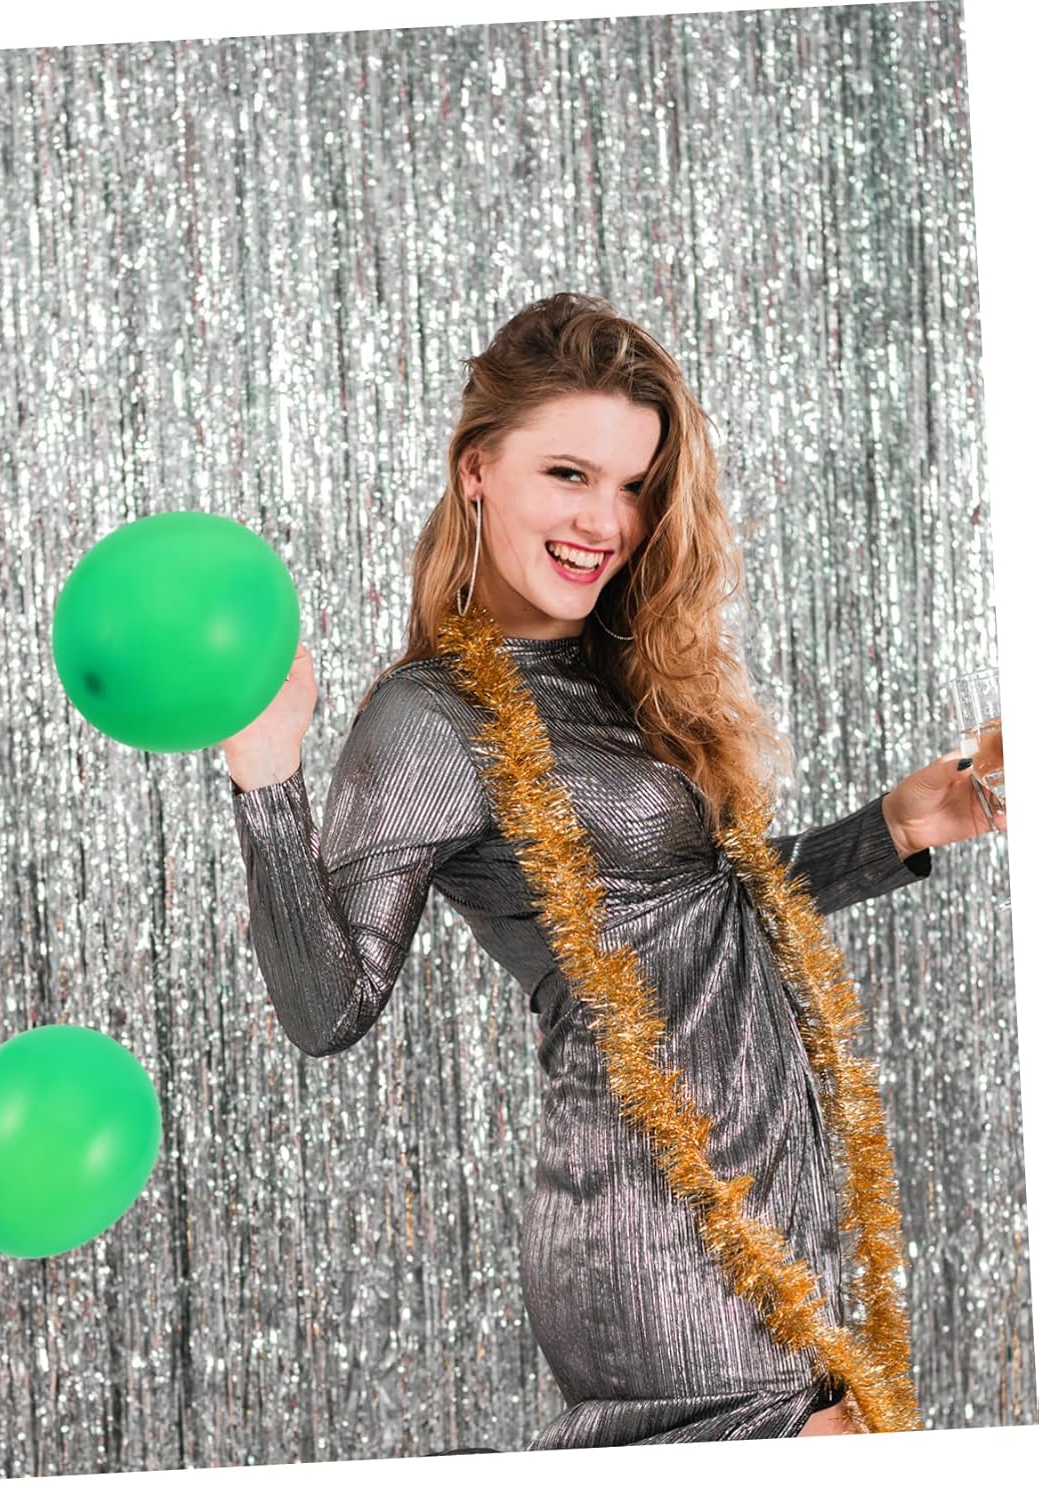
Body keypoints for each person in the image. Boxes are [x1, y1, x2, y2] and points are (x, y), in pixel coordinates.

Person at [219, 293, 1004, 1448]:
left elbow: (693, 907)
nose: (607, 519)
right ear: (478, 469)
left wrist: (896, 826)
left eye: (636, 485)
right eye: (569, 474)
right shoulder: (432, 717)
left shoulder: (619, 672)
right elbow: (327, 1008)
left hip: (763, 1206)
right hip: (655, 1231)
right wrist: (268, 777)